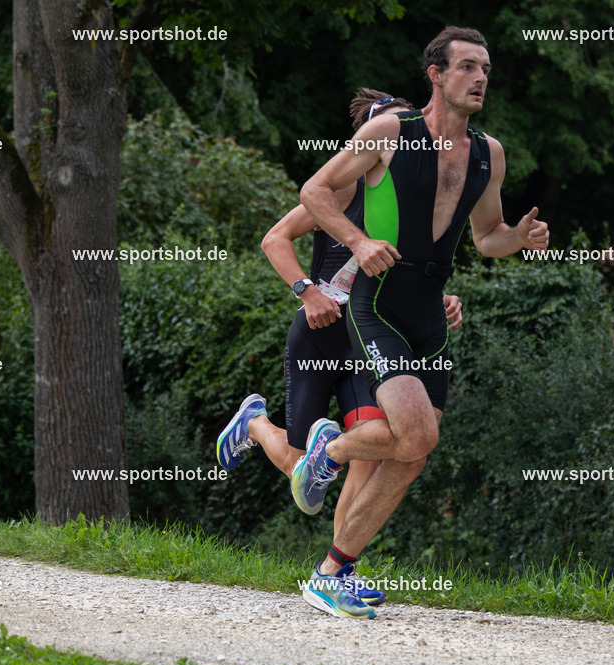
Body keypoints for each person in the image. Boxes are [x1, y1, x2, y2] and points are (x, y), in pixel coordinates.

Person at [291, 26, 550, 618]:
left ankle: (331, 572)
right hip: (379, 302)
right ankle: (331, 452)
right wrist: (358, 241)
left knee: (412, 453)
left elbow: (486, 237)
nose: (480, 78)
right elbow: (315, 191)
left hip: (430, 311)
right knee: (418, 434)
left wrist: (518, 238)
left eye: (485, 69)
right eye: (467, 67)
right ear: (436, 74)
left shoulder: (488, 153)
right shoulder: (390, 132)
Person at [215, 89, 464, 615]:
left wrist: (438, 299)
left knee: (373, 452)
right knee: (301, 465)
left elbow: (414, 271)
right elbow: (274, 239)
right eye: (390, 128)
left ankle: (336, 573)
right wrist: (307, 292)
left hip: (369, 337)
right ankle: (255, 424)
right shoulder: (344, 187)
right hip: (320, 333)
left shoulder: (412, 196)